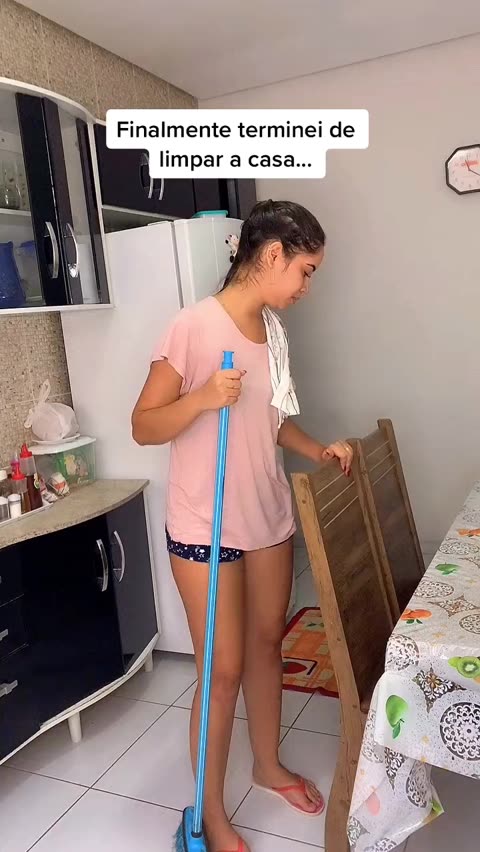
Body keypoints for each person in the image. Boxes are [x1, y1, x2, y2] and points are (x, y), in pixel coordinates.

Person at [132, 200, 353, 852]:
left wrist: (319, 451)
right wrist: (202, 398)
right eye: (306, 271)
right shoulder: (193, 326)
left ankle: (266, 765)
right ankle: (209, 812)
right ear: (273, 254)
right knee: (222, 669)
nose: (307, 287)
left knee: (265, 648)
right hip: (205, 523)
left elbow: (273, 421)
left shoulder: (272, 333)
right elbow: (144, 425)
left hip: (267, 515)